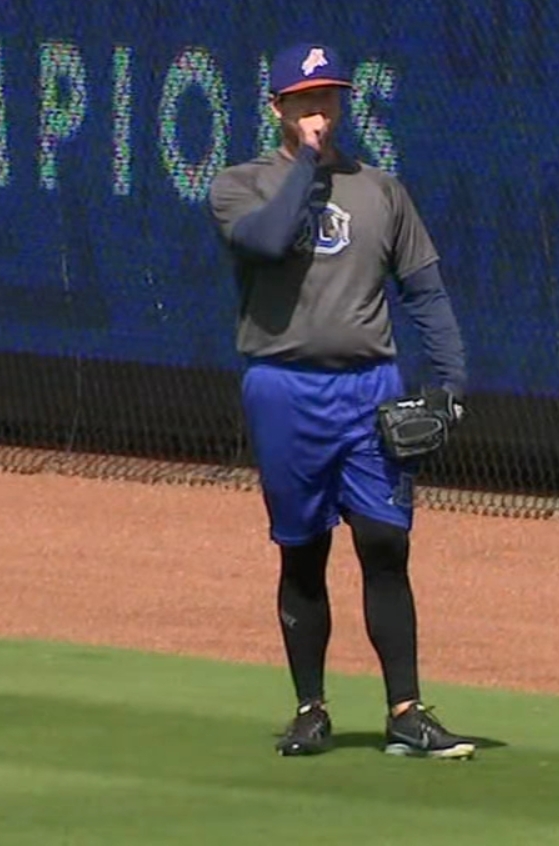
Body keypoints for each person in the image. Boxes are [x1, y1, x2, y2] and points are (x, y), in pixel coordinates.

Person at [206, 41, 474, 760]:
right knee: (303, 551)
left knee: (385, 542)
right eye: (305, 100)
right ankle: (310, 708)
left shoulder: (381, 190)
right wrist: (307, 168)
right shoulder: (242, 185)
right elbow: (266, 242)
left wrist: (448, 386)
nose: (320, 110)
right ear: (278, 110)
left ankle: (407, 712)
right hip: (283, 386)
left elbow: (426, 294)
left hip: (367, 387)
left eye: (329, 98)